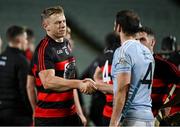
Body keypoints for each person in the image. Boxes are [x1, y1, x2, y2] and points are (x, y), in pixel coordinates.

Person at [27, 5, 96, 126]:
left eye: (64, 21)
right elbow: (48, 82)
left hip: (70, 114)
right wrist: (79, 83)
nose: (63, 25)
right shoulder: (45, 49)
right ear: (46, 26)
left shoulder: (66, 43)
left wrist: (79, 112)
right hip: (50, 118)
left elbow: (69, 80)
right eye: (58, 23)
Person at [110, 10, 155, 127]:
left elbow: (122, 90)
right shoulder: (148, 52)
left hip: (131, 119)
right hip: (149, 118)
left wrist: (113, 123)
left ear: (118, 27)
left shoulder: (122, 52)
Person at [136, 26, 180, 126]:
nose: (138, 43)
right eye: (136, 40)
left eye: (142, 39)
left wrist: (168, 105)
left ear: (152, 42)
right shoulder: (128, 65)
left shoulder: (163, 66)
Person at [0, 25, 32, 126]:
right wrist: (32, 111)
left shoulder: (1, 57)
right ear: (19, 39)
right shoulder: (22, 61)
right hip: (18, 115)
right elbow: (26, 89)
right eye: (25, 38)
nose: (27, 41)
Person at [93, 32, 120, 126]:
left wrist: (104, 87)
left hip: (107, 111)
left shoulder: (102, 57)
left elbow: (96, 76)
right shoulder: (120, 56)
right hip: (119, 112)